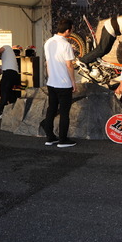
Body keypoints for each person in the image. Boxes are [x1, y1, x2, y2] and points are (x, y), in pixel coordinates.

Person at [42, 19, 77, 148]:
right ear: (67, 30)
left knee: (51, 110)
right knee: (64, 112)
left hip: (52, 82)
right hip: (64, 84)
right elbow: (69, 66)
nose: (71, 32)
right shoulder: (66, 44)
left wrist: (50, 77)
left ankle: (50, 137)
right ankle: (63, 140)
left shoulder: (48, 42)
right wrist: (73, 82)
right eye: (71, 30)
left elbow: (47, 63)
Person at [0, 45, 20, 120]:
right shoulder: (5, 62)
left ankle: (0, 112)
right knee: (11, 94)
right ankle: (13, 112)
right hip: (14, 76)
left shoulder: (7, 47)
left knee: (3, 92)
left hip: (9, 74)